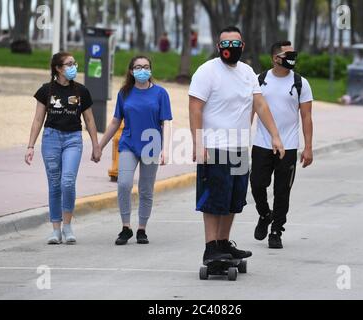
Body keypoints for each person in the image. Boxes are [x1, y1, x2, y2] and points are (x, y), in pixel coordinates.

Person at [189, 26, 285, 264]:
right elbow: (195, 108)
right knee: (214, 199)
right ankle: (210, 248)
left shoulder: (247, 72)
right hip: (214, 147)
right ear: (219, 47)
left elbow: (260, 105)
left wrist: (275, 135)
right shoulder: (207, 71)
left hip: (240, 147)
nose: (230, 49)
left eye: (235, 45)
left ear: (242, 46)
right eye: (225, 45)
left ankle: (223, 243)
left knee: (234, 198)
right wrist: (197, 143)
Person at [25, 52, 101, 245]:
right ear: (58, 68)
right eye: (69, 64)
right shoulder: (46, 90)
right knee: (55, 184)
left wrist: (96, 145)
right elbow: (37, 120)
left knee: (67, 181)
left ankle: (67, 226)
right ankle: (56, 230)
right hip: (51, 138)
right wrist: (30, 145)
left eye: (74, 63)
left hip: (73, 139)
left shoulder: (82, 91)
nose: (73, 67)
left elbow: (90, 120)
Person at [98, 56, 172, 245]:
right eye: (138, 67)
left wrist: (166, 149)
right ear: (131, 71)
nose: (142, 70)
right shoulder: (125, 93)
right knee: (123, 184)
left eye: (146, 67)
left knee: (146, 190)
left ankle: (142, 229)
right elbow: (116, 121)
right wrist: (100, 145)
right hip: (129, 144)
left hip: (151, 145)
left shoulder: (160, 93)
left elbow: (166, 123)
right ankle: (126, 227)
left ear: (151, 70)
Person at [251, 41, 314, 249]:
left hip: (288, 146)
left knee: (282, 190)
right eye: (288, 54)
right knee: (257, 184)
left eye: (293, 53)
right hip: (262, 143)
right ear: (275, 58)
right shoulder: (260, 80)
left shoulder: (300, 83)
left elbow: (306, 117)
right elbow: (251, 111)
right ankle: (264, 214)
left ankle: (276, 230)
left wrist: (308, 147)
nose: (292, 57)